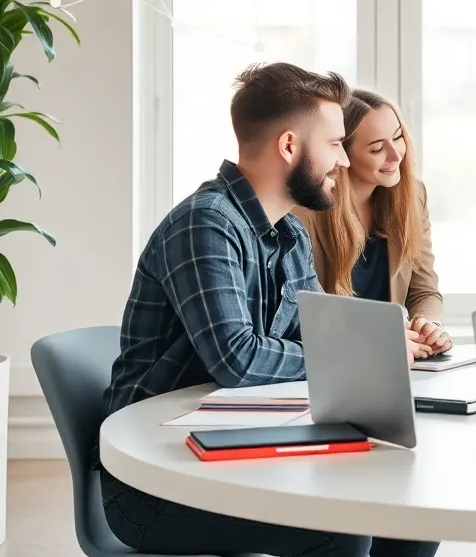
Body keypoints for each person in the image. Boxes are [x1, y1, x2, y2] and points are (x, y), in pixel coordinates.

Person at [98, 63, 438, 557]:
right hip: (158, 481)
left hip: (237, 445)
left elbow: (316, 333)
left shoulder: (288, 231)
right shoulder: (206, 224)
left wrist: (376, 347)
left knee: (409, 515)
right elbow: (237, 359)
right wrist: (368, 355)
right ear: (288, 147)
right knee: (341, 528)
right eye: (335, 144)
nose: (343, 161)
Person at [297, 88, 452, 359]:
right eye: (377, 148)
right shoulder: (306, 213)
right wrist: (383, 339)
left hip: (397, 358)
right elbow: (308, 313)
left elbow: (424, 291)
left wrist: (429, 325)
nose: (396, 155)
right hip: (340, 360)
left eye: (398, 137)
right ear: (343, 155)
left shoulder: (414, 196)